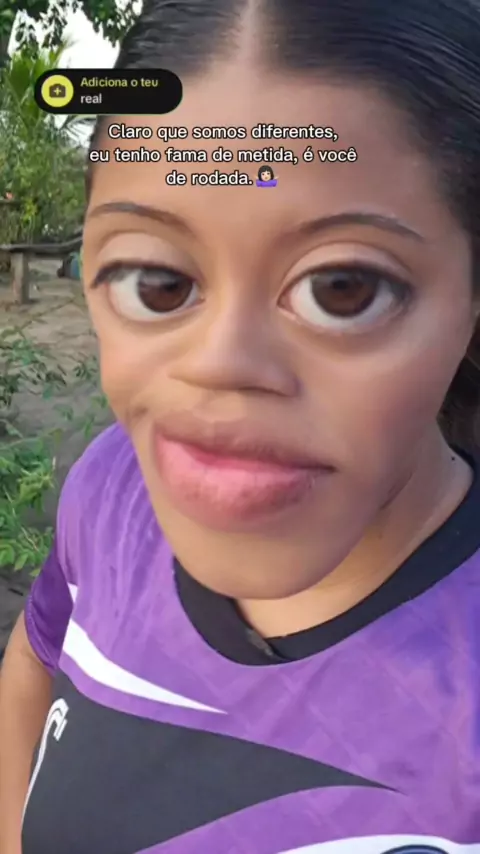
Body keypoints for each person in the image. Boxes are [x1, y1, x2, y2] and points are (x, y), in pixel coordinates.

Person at [1, 0, 480, 851]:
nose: (220, 364)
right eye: (156, 281)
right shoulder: (113, 490)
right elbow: (35, 665)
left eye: (342, 289)